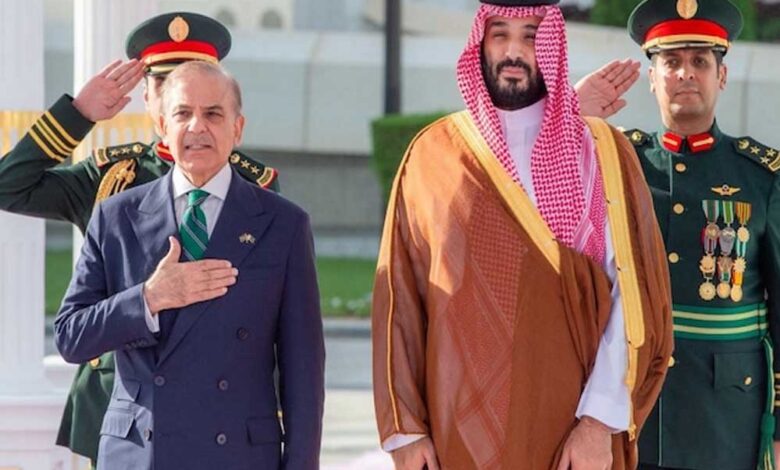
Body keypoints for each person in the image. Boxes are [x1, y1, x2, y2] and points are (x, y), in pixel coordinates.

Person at [371, 0, 674, 469]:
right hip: (457, 434)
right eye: (500, 34)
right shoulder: (432, 155)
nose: (513, 51)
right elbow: (400, 301)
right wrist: (406, 433)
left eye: (531, 36)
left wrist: (597, 425)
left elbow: (632, 300)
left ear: (552, 45)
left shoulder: (602, 152)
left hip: (570, 434)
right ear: (480, 43)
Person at [0, 12, 281, 462]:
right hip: (122, 411)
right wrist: (77, 115)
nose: (180, 93)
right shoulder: (112, 177)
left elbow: (269, 316)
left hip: (218, 410)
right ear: (148, 98)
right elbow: (9, 185)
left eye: (193, 79)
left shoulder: (253, 187)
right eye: (164, 83)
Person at [54, 60, 324, 469]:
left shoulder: (283, 224)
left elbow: (303, 370)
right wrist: (148, 299)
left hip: (238, 456)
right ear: (163, 126)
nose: (197, 127)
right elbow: (71, 337)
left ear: (237, 128)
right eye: (182, 113)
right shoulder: (116, 216)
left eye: (213, 113)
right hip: (141, 455)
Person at [620, 0, 780, 468]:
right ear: (652, 78)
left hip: (726, 421)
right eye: (670, 62)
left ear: (721, 76)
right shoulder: (622, 165)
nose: (685, 73)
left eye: (700, 61)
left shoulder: (762, 177)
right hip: (636, 414)